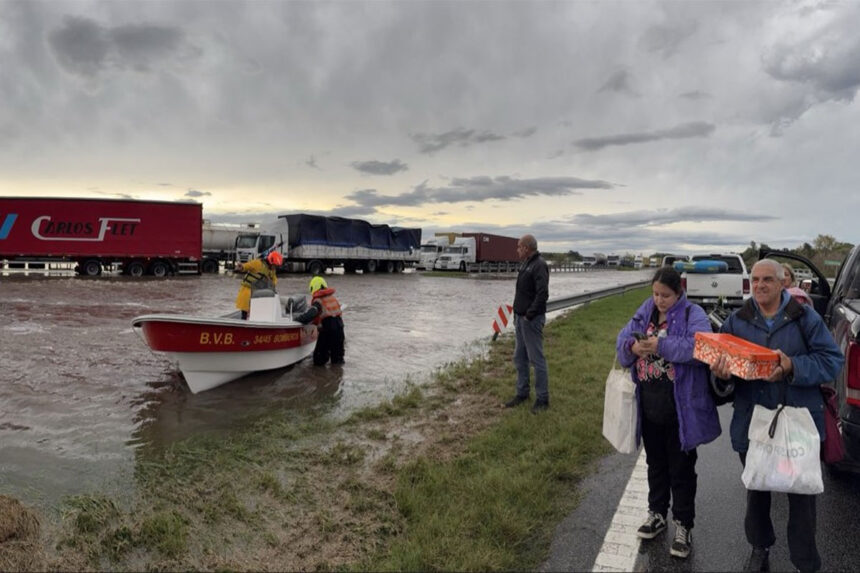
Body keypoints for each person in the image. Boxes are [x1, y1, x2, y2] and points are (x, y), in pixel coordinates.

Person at [710, 259, 843, 573]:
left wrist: (791, 367)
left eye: (767, 279)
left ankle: (805, 562)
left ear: (784, 282)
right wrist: (722, 375)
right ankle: (759, 547)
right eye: (755, 280)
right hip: (752, 421)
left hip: (796, 422)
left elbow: (832, 360)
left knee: (801, 496)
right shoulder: (737, 320)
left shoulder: (804, 318)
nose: (760, 286)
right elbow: (724, 374)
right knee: (757, 490)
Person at [615, 267, 721, 559]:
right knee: (656, 464)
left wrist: (659, 345)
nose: (659, 301)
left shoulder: (693, 314)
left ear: (679, 293)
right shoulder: (645, 311)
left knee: (682, 470)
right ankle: (657, 514)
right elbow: (621, 341)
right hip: (650, 405)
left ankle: (683, 525)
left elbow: (701, 348)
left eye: (666, 296)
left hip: (681, 407)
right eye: (655, 294)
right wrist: (633, 347)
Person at [504, 234, 550, 413]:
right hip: (520, 318)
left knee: (536, 359)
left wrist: (529, 315)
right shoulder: (525, 264)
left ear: (526, 248)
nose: (517, 250)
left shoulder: (539, 265)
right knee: (519, 357)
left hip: (531, 320)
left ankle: (542, 399)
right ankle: (522, 393)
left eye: (518, 247)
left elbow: (542, 294)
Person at [295, 275, 345, 366]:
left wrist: (297, 320)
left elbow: (310, 314)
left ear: (313, 288)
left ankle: (321, 378)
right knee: (338, 361)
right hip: (340, 328)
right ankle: (338, 378)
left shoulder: (318, 301)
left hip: (328, 329)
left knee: (319, 360)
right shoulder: (333, 298)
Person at [234, 251, 282, 319]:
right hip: (247, 292)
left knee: (259, 312)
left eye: (276, 266)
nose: (275, 267)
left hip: (259, 294)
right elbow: (247, 266)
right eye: (275, 265)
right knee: (245, 313)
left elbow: (274, 281)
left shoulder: (272, 270)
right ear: (270, 262)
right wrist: (241, 267)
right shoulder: (258, 263)